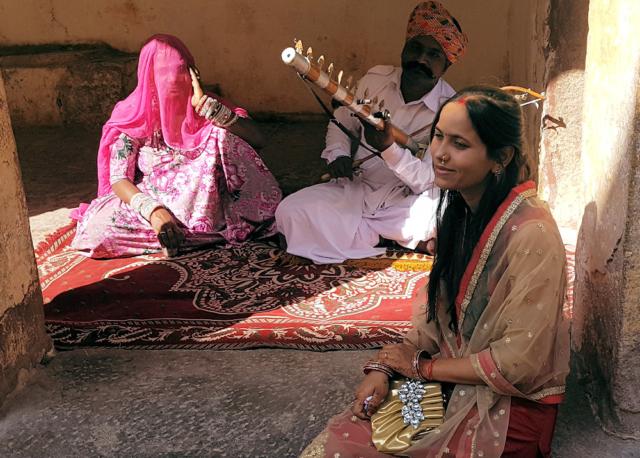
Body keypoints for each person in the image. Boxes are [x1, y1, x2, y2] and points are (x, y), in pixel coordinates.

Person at [302, 86, 570, 457]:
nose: (440, 153)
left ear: (500, 157)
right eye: (438, 136)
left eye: (459, 144)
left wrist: (421, 369)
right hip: (451, 374)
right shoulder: (459, 211)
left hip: (511, 404)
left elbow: (519, 361)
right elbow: (434, 320)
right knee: (347, 435)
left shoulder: (532, 233)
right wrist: (385, 368)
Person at [275, 1, 468, 264]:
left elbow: (427, 179)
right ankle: (395, 237)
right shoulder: (376, 80)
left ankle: (373, 233)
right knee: (290, 210)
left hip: (406, 198)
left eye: (434, 55)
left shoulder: (450, 108)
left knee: (444, 212)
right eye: (416, 48)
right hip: (357, 189)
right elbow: (342, 121)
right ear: (404, 47)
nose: (421, 59)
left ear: (445, 67)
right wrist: (338, 153)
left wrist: (389, 149)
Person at [71, 34, 282, 258]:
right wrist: (154, 212)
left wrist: (210, 111)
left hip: (209, 209)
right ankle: (185, 233)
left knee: (223, 136)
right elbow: (119, 178)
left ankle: (194, 234)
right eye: (163, 73)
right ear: (148, 78)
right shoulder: (134, 115)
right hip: (155, 203)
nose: (172, 80)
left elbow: (258, 139)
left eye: (180, 71)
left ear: (193, 73)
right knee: (97, 231)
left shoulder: (209, 110)